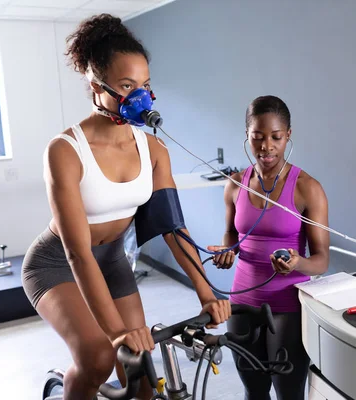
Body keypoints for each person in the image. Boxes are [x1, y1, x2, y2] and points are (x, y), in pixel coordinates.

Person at [21, 14, 230, 399]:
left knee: (142, 375)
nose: (141, 98)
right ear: (95, 84)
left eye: (146, 86)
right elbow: (76, 252)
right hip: (56, 265)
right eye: (126, 86)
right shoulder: (65, 151)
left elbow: (173, 228)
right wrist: (117, 332)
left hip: (113, 260)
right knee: (100, 358)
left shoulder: (153, 149)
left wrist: (207, 291)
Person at [208, 95, 330, 400]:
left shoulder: (307, 188)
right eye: (258, 137)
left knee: (288, 393)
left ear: (288, 136)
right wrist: (227, 253)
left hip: (287, 307)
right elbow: (230, 235)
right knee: (254, 390)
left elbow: (322, 260)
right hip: (242, 302)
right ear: (247, 136)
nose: (266, 147)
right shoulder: (235, 184)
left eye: (276, 137)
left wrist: (297, 264)